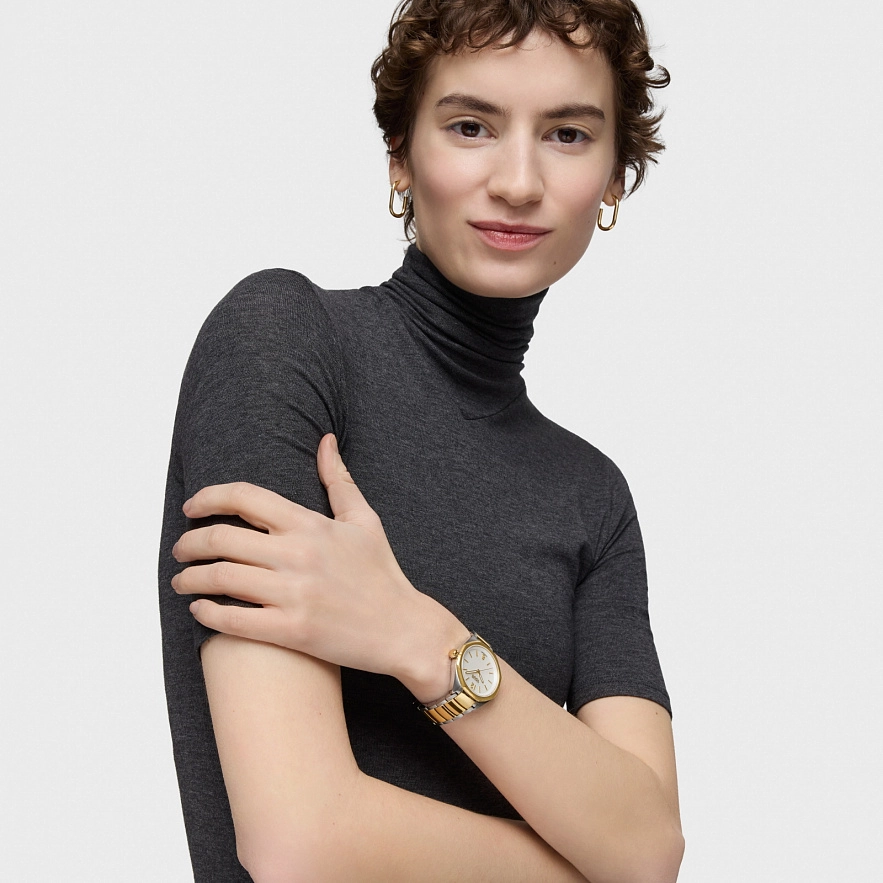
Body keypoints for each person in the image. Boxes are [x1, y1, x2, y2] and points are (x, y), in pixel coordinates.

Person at [159, 0, 684, 879]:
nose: (518, 181)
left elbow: (650, 845)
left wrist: (415, 634)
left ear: (613, 179)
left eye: (567, 134)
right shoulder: (283, 339)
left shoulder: (591, 493)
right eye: (471, 126)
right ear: (400, 155)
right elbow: (301, 841)